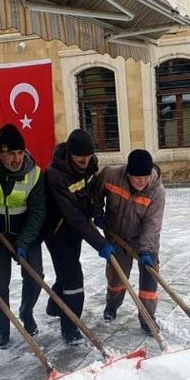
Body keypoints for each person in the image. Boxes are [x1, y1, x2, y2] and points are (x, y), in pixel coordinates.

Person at [0, 124, 45, 349]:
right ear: (0, 153)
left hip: (26, 233)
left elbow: (38, 213)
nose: (16, 159)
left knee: (35, 277)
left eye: (19, 152)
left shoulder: (34, 173)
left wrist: (24, 243)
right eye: (10, 153)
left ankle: (26, 312)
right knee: (0, 284)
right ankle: (3, 329)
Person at [44, 129, 114, 345]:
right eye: (80, 157)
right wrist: (100, 243)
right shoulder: (55, 174)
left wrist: (98, 213)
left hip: (78, 229)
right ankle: (70, 329)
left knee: (66, 273)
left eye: (88, 155)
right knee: (74, 279)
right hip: (57, 231)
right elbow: (72, 214)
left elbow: (91, 191)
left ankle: (55, 305)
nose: (85, 160)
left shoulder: (90, 163)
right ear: (70, 154)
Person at [95, 149, 165, 335]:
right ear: (127, 174)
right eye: (136, 178)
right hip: (117, 236)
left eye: (145, 177)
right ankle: (112, 306)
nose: (142, 181)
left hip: (145, 240)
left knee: (150, 280)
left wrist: (146, 251)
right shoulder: (111, 175)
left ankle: (147, 319)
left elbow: (152, 224)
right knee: (117, 278)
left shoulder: (156, 191)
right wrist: (97, 212)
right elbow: (95, 192)